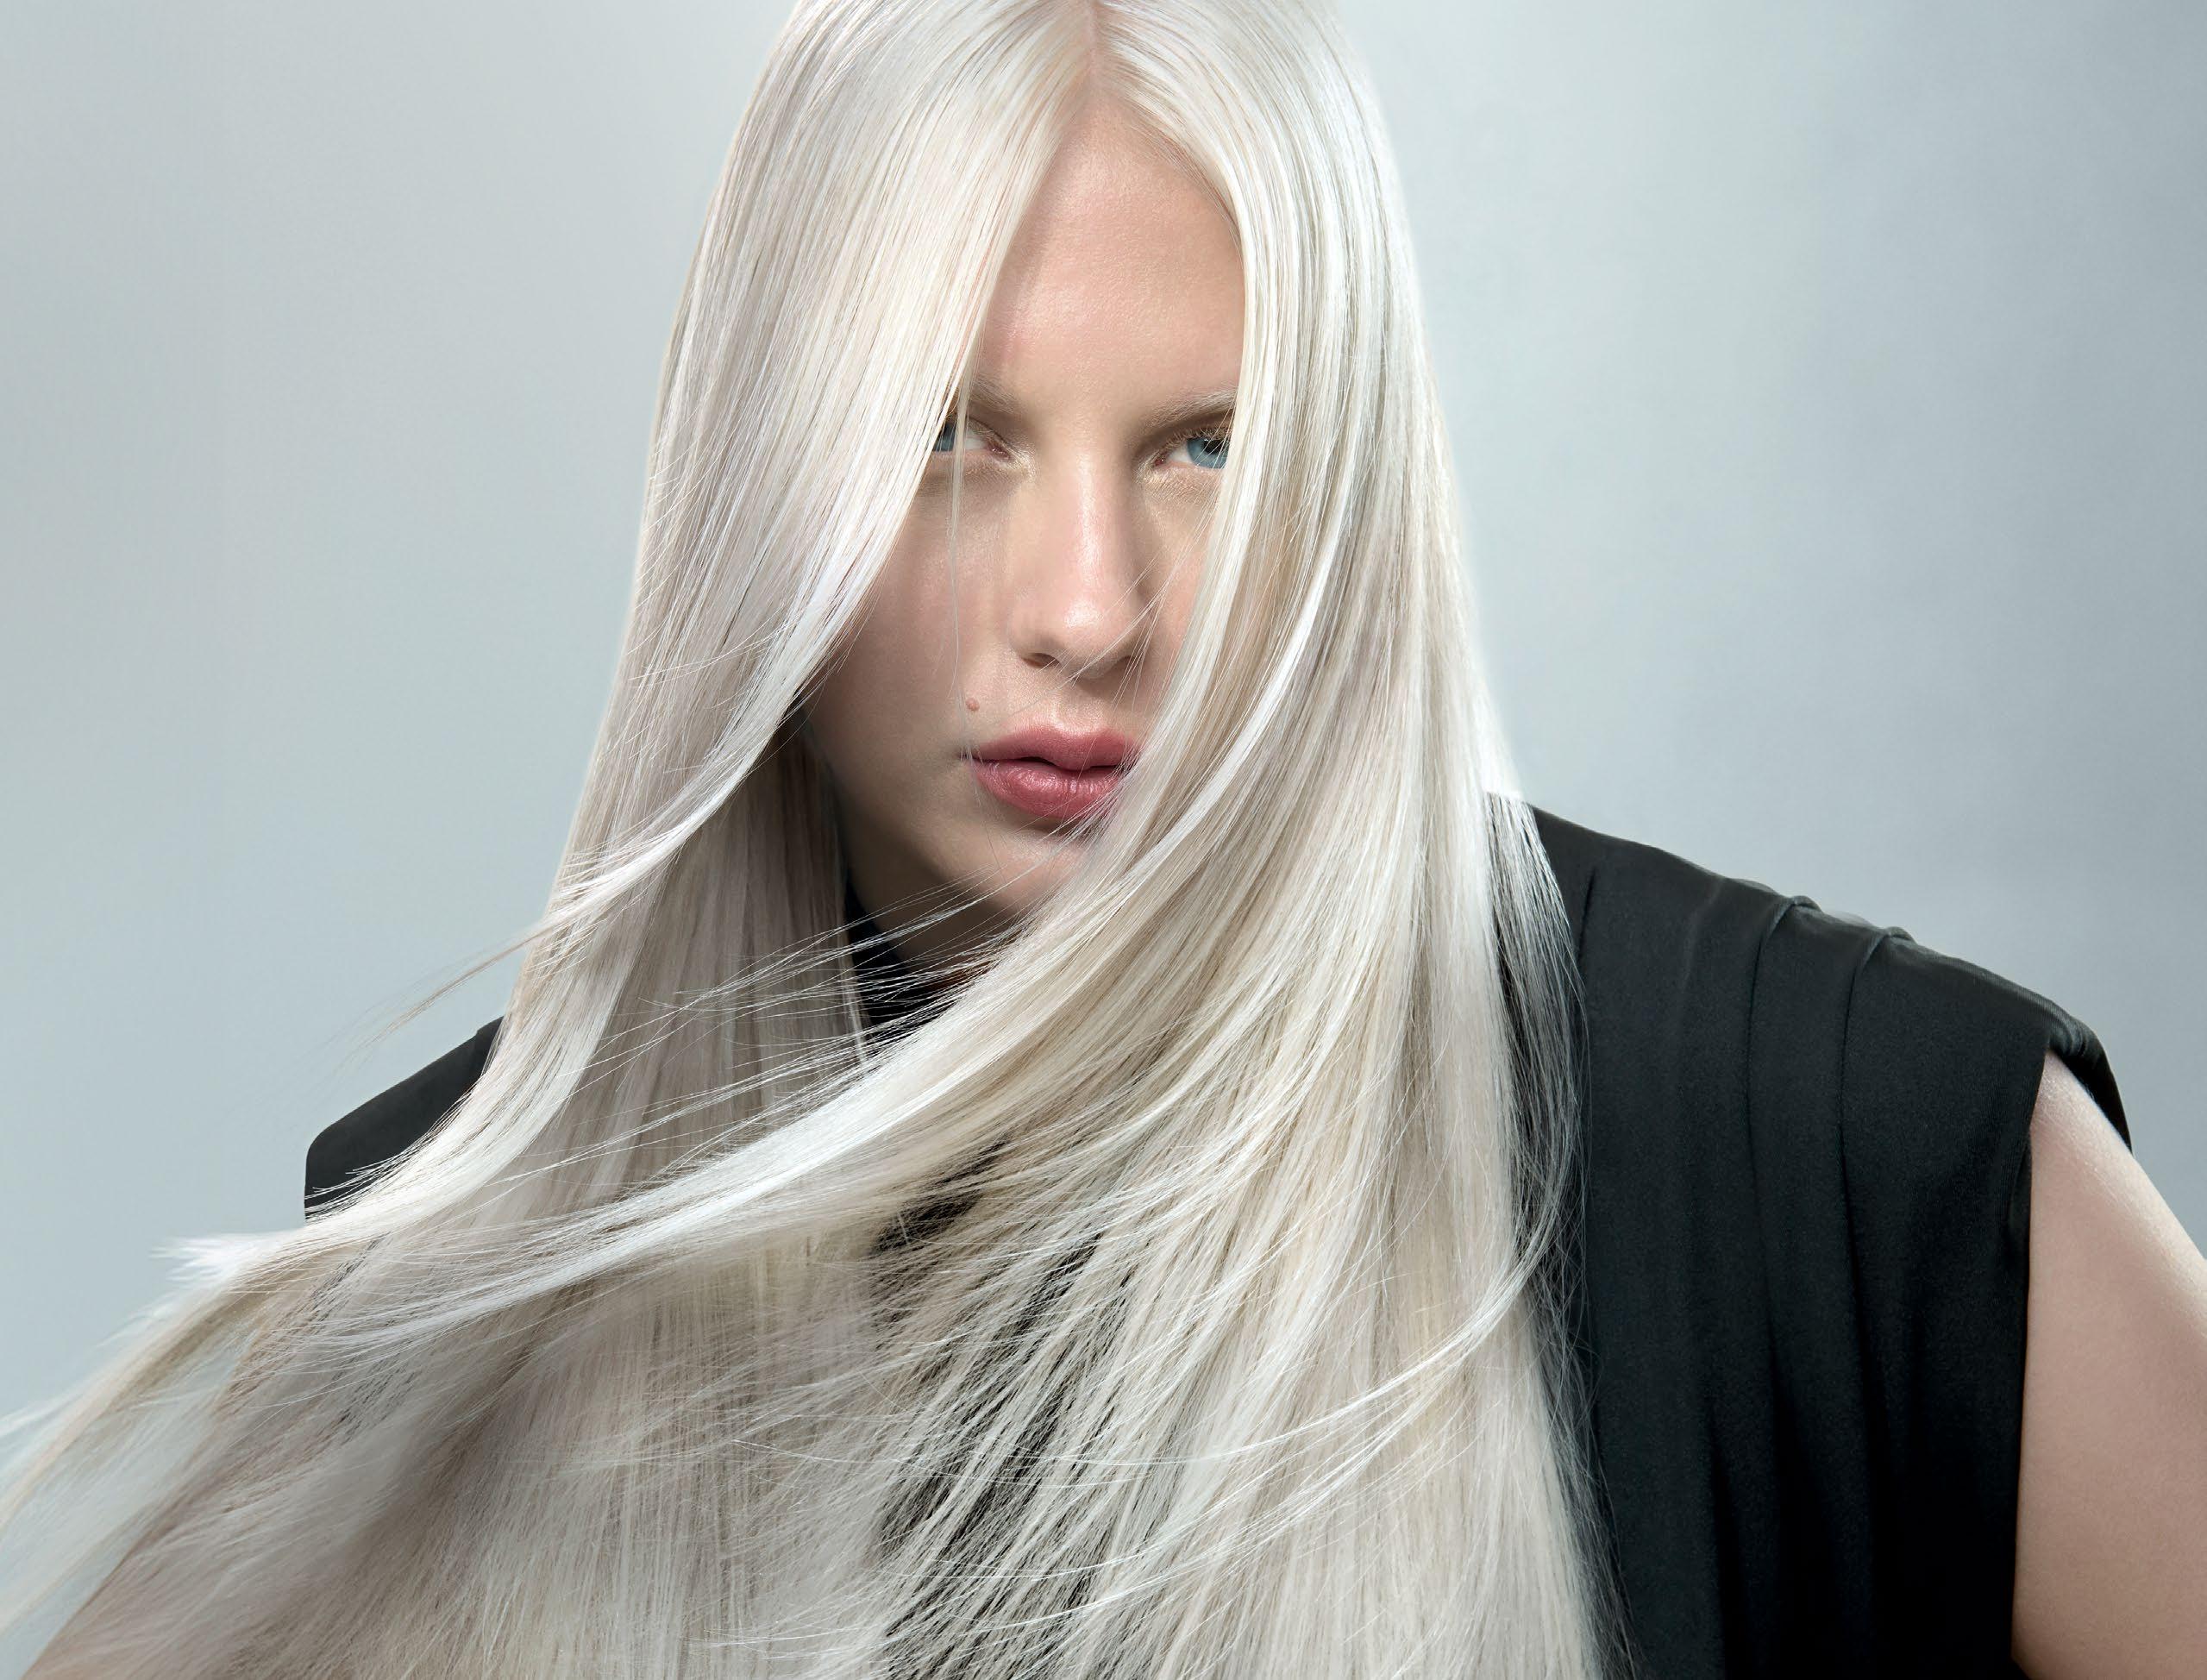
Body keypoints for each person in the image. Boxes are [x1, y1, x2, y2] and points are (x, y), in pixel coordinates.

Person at [4, 2, 2202, 1676]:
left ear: (1352, 469)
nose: (1083, 609)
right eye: (945, 434)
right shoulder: (447, 1285)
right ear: (757, 484)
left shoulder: (1862, 1159)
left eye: (1205, 446)